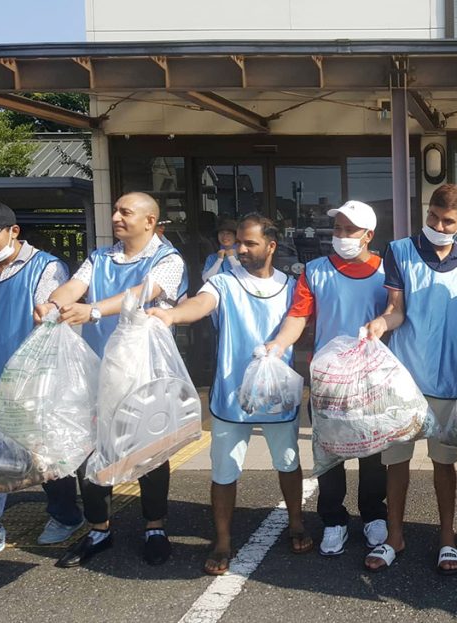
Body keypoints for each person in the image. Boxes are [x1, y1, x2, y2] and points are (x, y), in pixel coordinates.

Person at [148, 213, 313, 576]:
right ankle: (222, 540)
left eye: (249, 243)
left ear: (271, 246)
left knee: (287, 461)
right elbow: (199, 305)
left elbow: (301, 322)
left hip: (276, 394)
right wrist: (174, 315)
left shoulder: (292, 286)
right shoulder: (223, 283)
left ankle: (297, 523)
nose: (240, 248)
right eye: (238, 241)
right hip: (231, 395)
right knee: (224, 470)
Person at [35, 191, 188, 568]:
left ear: (150, 221)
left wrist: (94, 311)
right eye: (116, 211)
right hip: (97, 368)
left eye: (126, 212)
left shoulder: (167, 259)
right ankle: (99, 529)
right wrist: (54, 303)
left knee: (148, 449)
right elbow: (75, 285)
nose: (116, 217)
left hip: (144, 372)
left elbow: (140, 294)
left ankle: (154, 527)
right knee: (92, 449)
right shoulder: (100, 257)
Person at [0, 202, 84, 568]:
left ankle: (67, 516)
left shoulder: (48, 267)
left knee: (45, 462)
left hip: (36, 383)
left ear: (13, 232)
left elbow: (48, 319)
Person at [363, 184, 457, 573]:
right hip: (403, 381)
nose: (437, 225)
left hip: (449, 382)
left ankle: (448, 538)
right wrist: (381, 323)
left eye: (447, 220)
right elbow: (396, 309)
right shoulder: (400, 251)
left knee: (444, 464)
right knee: (396, 463)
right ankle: (394, 535)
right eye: (432, 216)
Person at [266, 200, 388, 558]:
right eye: (337, 229)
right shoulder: (316, 270)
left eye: (350, 230)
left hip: (371, 378)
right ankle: (333, 520)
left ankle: (374, 514)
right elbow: (298, 316)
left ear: (368, 235)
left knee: (373, 451)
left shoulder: (385, 273)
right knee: (330, 452)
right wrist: (278, 343)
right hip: (328, 378)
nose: (342, 236)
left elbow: (394, 317)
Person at [202, 217, 241, 282]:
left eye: (229, 233)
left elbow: (244, 276)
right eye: (221, 233)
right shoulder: (212, 257)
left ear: (236, 236)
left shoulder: (243, 255)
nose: (224, 236)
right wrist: (219, 260)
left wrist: (232, 258)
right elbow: (205, 279)